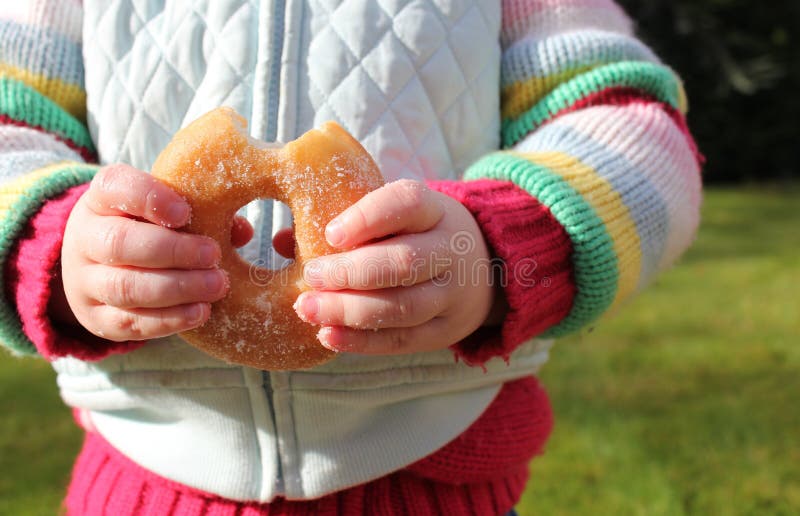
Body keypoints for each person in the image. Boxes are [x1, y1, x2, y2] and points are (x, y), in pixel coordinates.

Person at [0, 0, 702, 514]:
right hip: (145, 476)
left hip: (437, 477)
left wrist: (497, 248)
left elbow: (634, 126)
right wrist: (52, 247)